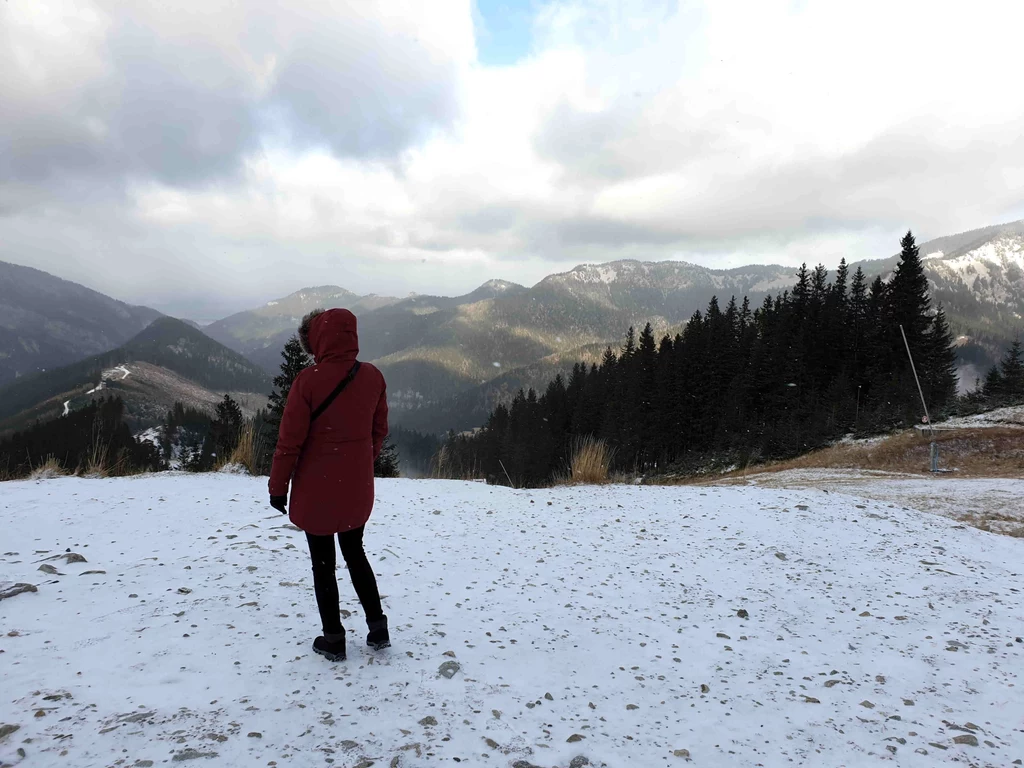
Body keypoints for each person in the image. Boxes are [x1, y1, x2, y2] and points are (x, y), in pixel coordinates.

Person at [268, 308, 390, 662]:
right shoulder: (372, 377)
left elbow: (289, 442)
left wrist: (279, 486)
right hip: (356, 486)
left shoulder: (307, 381)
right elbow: (378, 432)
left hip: (315, 489)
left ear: (318, 338)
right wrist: (361, 462)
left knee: (322, 562)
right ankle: (377, 626)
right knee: (356, 553)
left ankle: (334, 638)